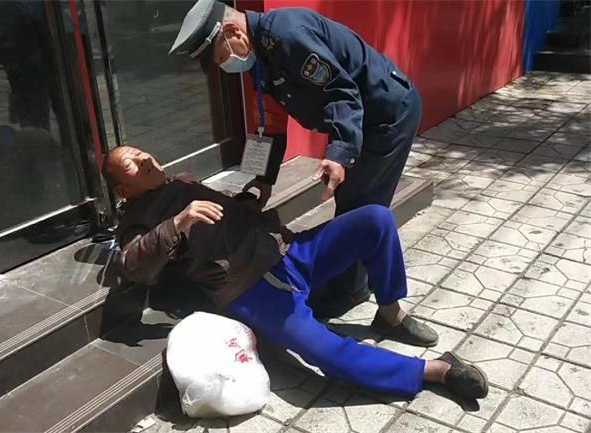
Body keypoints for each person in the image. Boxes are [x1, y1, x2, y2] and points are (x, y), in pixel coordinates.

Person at [103, 145, 488, 401]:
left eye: (139, 152)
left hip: (287, 251)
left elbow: (223, 224)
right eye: (130, 163)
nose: (142, 158)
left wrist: (250, 199)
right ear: (123, 189)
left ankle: (390, 313)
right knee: (323, 350)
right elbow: (132, 265)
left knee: (375, 219)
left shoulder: (183, 181)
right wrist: (177, 223)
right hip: (252, 289)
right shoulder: (138, 218)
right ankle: (436, 371)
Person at [168, 0, 423, 316]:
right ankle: (349, 283)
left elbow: (341, 93)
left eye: (221, 57)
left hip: (385, 116)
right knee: (351, 200)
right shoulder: (260, 56)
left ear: (233, 31)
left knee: (360, 203)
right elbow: (271, 120)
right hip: (356, 121)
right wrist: (265, 179)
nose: (224, 65)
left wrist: (340, 153)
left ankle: (351, 291)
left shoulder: (288, 36)